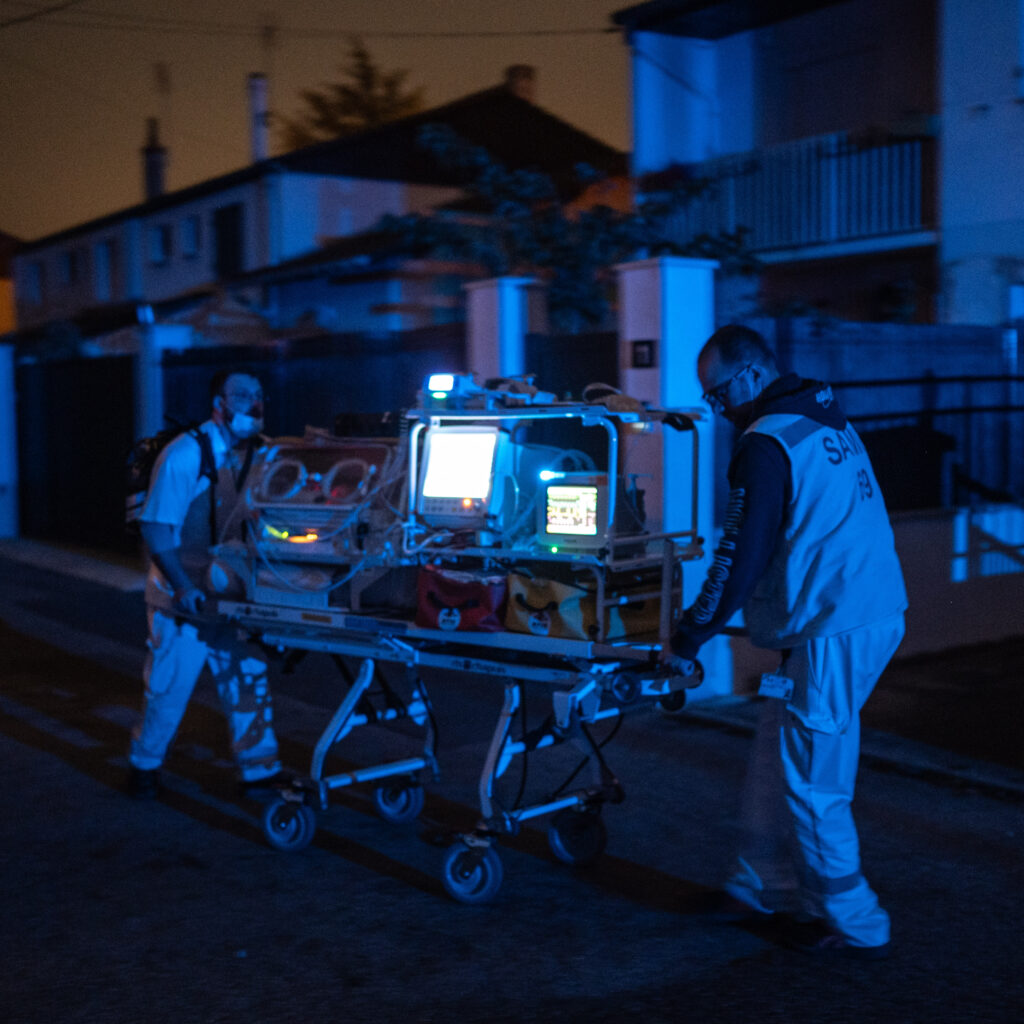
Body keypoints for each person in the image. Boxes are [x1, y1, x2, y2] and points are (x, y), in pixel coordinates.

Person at [671, 324, 907, 959]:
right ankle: (755, 882)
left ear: (748, 376)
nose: (716, 408)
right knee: (777, 755)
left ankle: (854, 920)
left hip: (833, 627)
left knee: (812, 782)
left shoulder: (765, 443)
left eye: (716, 394)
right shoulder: (820, 419)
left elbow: (738, 556)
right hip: (858, 611)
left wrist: (689, 635)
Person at [127, 369, 282, 799]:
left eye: (259, 395)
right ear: (218, 402)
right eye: (242, 395)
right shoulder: (185, 455)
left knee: (248, 678)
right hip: (182, 597)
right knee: (169, 686)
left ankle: (259, 771)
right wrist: (181, 586)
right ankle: (144, 766)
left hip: (231, 594)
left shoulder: (262, 454)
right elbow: (157, 528)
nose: (253, 403)